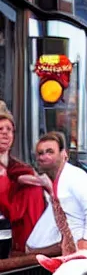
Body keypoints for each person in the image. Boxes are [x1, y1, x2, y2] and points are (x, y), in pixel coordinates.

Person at [26, 132, 87, 254]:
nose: (44, 156)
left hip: (78, 258)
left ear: (63, 154)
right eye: (40, 153)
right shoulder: (54, 181)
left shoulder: (74, 175)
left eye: (50, 152)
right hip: (57, 256)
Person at [0, 101, 46, 256]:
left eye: (9, 129)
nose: (5, 133)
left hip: (16, 245)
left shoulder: (22, 170)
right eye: (0, 129)